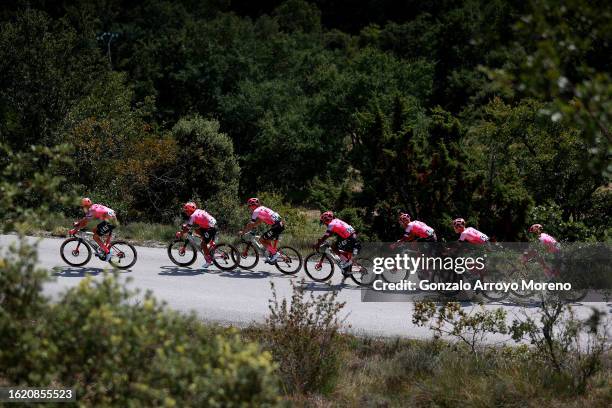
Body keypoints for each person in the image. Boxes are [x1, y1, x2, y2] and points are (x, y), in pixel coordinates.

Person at [239, 197, 284, 264]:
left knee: (261, 240)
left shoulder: (256, 211)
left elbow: (251, 223)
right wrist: (253, 227)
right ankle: (272, 255)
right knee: (267, 240)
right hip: (280, 224)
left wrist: (243, 232)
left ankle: (275, 254)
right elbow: (259, 221)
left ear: (252, 205)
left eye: (249, 206)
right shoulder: (262, 208)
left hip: (276, 226)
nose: (249, 208)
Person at [175, 202, 217, 269]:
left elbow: (187, 228)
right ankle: (206, 241)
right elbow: (194, 223)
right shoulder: (197, 211)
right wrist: (187, 225)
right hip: (211, 224)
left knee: (203, 244)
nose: (186, 212)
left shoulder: (192, 216)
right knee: (197, 229)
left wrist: (180, 233)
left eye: (187, 211)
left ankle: (209, 261)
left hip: (210, 227)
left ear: (190, 210)